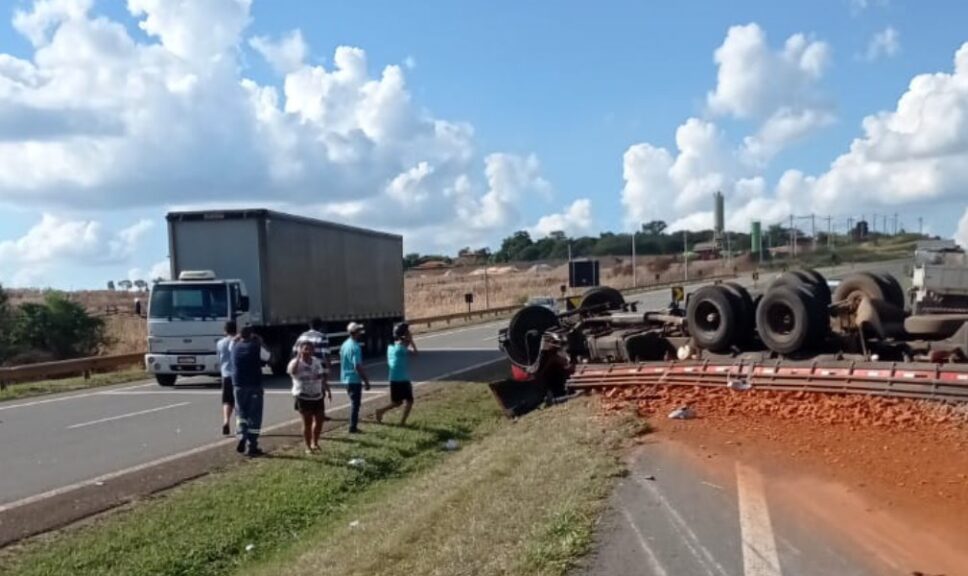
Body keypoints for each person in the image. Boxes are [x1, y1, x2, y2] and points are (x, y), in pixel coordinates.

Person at [231, 326, 270, 457]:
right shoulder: (256, 346)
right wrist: (260, 341)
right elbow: (268, 356)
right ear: (252, 335)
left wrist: (237, 338)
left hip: (238, 384)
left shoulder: (234, 346)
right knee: (254, 414)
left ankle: (242, 435)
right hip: (254, 384)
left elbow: (233, 342)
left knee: (241, 413)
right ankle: (251, 444)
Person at [288, 341, 331, 453]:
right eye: (305, 348)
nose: (308, 351)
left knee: (320, 420)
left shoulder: (316, 361)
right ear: (300, 350)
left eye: (310, 349)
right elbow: (292, 371)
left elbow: (321, 376)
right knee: (307, 422)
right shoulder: (295, 362)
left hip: (317, 395)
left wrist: (327, 389)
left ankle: (315, 442)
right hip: (303, 396)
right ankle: (308, 447)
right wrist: (298, 357)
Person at [375, 323, 417, 425]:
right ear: (404, 334)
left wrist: (407, 339)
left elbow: (404, 345)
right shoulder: (402, 348)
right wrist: (411, 340)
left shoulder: (391, 347)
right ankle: (402, 422)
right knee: (410, 401)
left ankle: (380, 411)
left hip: (393, 377)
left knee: (397, 402)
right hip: (402, 378)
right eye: (408, 332)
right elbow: (415, 353)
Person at [293, 317, 330, 418]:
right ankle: (320, 413)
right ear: (321, 326)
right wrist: (327, 369)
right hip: (316, 367)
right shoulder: (322, 337)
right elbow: (325, 354)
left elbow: (294, 350)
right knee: (319, 388)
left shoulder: (302, 336)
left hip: (303, 365)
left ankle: (302, 407)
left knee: (303, 387)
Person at [339, 322, 370, 433]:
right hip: (354, 379)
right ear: (356, 332)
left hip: (345, 378)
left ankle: (353, 426)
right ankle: (353, 427)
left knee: (353, 402)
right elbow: (357, 366)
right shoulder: (355, 347)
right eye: (359, 331)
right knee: (355, 404)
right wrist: (366, 380)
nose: (360, 332)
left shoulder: (345, 344)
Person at [216, 320, 237, 436]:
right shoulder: (237, 342)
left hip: (225, 375)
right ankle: (240, 425)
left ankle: (226, 421)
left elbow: (219, 357)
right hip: (237, 375)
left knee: (227, 401)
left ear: (225, 331)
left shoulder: (220, 343)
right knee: (238, 402)